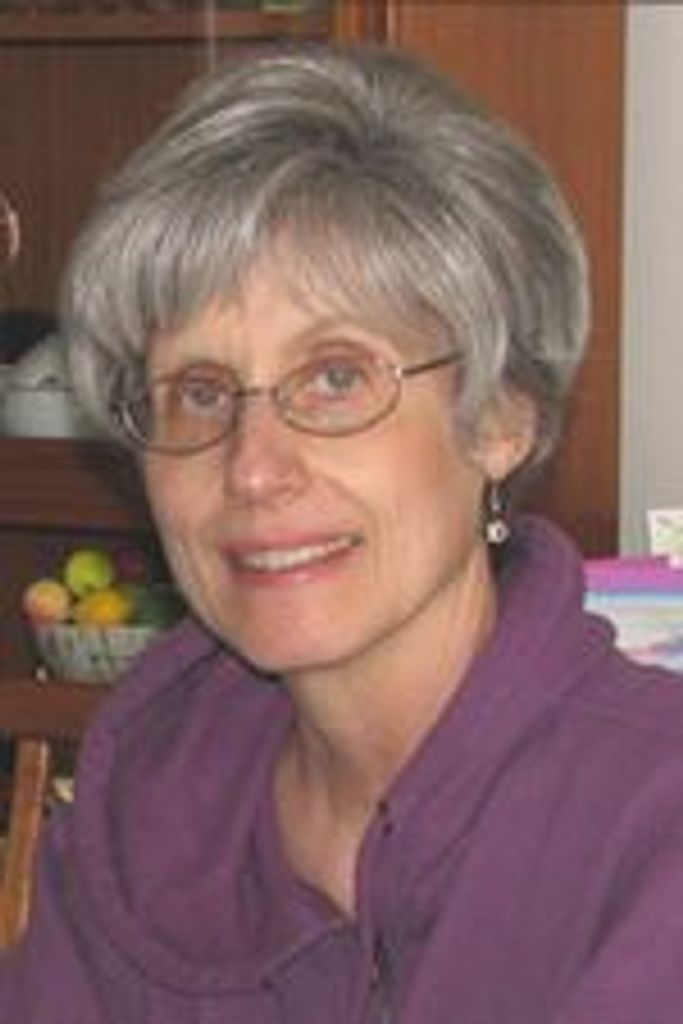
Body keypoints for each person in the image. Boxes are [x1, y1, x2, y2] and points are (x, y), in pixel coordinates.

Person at [3, 41, 683, 1024]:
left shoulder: (649, 830)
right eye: (200, 391)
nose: (252, 468)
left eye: (334, 377)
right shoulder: (151, 789)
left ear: (499, 418)